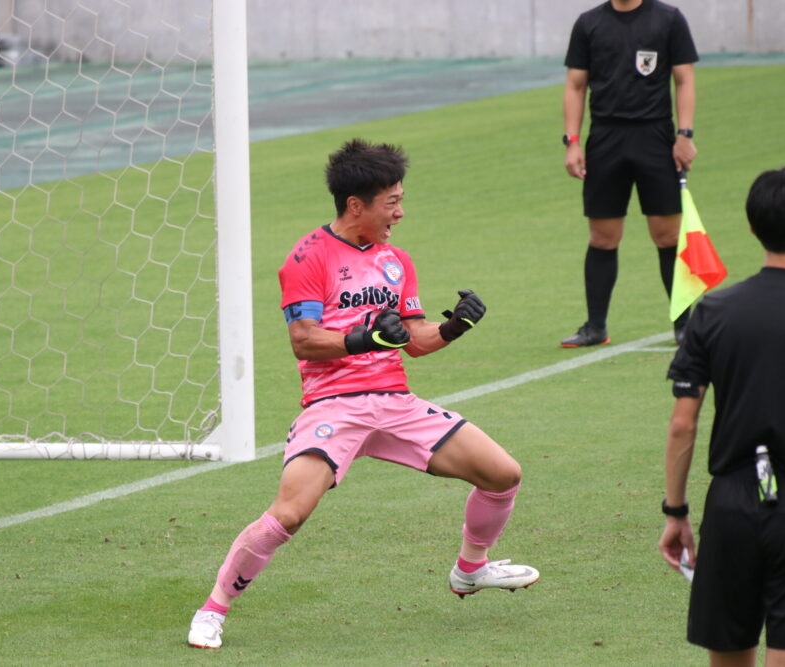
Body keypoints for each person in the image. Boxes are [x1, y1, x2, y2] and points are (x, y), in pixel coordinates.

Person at [187, 138, 539, 649]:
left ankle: (470, 569)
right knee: (289, 514)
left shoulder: (397, 261)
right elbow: (304, 341)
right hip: (334, 406)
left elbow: (413, 340)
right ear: (357, 205)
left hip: (395, 402)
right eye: (391, 201)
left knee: (503, 474)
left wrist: (454, 327)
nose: (400, 211)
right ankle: (212, 610)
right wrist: (365, 338)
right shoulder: (307, 258)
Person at [659, 164, 785, 665]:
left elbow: (682, 424)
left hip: (732, 505)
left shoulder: (713, 314)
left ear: (753, 227)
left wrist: (676, 512)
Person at [560, 0, 699, 347]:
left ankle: (685, 325)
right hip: (606, 139)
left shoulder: (668, 19)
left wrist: (685, 135)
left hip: (656, 137)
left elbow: (684, 79)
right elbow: (575, 85)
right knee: (603, 237)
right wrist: (572, 142)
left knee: (667, 235)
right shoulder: (589, 23)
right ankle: (595, 327)